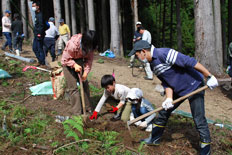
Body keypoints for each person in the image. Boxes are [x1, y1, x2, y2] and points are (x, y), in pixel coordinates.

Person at [128, 40, 218, 154]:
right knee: (163, 112)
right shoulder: (152, 65)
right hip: (178, 90)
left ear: (143, 52)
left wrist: (209, 76)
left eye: (137, 55)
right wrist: (169, 98)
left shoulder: (164, 53)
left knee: (199, 118)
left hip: (194, 85)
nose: (137, 58)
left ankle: (206, 150)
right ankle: (154, 139)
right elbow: (166, 82)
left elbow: (189, 61)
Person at [61, 30, 97, 115]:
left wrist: (86, 72)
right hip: (68, 63)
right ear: (85, 42)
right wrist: (74, 65)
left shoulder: (91, 47)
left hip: (80, 61)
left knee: (85, 85)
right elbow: (65, 59)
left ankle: (88, 109)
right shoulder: (72, 44)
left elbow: (89, 60)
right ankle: (77, 112)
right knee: (73, 89)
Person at [32, 2, 45, 66]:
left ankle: (42, 62)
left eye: (34, 6)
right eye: (32, 6)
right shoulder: (36, 14)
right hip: (36, 34)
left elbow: (41, 25)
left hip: (39, 35)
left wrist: (39, 33)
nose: (33, 7)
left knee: (39, 48)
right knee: (34, 48)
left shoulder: (40, 15)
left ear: (38, 6)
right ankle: (40, 60)